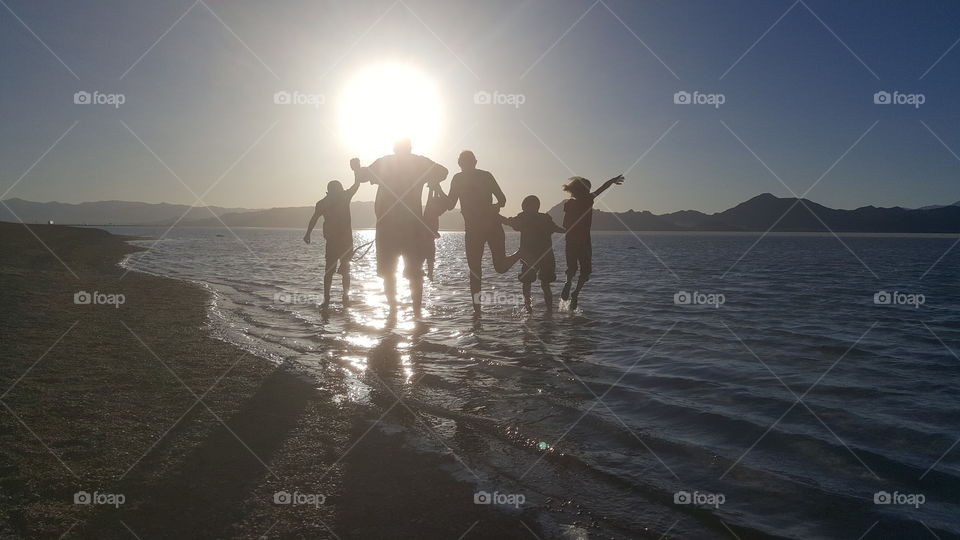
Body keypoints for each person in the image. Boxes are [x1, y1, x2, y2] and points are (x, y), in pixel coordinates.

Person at [351, 139, 448, 315]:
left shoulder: (386, 162)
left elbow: (362, 176)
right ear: (409, 149)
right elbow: (443, 172)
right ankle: (415, 312)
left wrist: (357, 168)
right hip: (410, 227)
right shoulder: (419, 162)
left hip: (389, 226)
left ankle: (394, 311)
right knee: (414, 272)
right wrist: (431, 177)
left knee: (389, 272)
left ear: (395, 149)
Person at [436, 150, 519, 314]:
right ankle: (477, 312)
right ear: (473, 162)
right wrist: (438, 188)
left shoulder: (482, 176)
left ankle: (521, 252)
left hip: (490, 226)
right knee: (478, 270)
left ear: (466, 163)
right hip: (475, 229)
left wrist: (495, 207)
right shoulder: (460, 179)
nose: (465, 165)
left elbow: (501, 199)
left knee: (494, 268)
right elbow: (452, 204)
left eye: (465, 162)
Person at [560, 174, 624, 310]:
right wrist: (612, 180)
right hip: (584, 241)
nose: (590, 190)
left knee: (571, 267)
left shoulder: (569, 204)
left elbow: (565, 223)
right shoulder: (588, 199)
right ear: (585, 190)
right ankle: (575, 293)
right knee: (585, 271)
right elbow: (602, 188)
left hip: (570, 239)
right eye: (588, 188)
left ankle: (568, 282)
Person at [303, 176, 361, 307]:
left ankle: (331, 299)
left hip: (336, 242)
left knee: (332, 271)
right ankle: (342, 298)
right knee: (343, 270)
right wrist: (356, 171)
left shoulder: (324, 202)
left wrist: (308, 234)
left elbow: (314, 219)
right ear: (338, 189)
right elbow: (356, 185)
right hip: (342, 241)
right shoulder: (342, 197)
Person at [502, 195, 564, 313]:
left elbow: (509, 222)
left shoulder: (524, 217)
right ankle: (549, 311)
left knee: (527, 283)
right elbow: (556, 228)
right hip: (547, 256)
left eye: (524, 206)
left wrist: (496, 216)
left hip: (529, 256)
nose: (523, 208)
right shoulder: (545, 218)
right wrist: (569, 230)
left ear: (526, 206)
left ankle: (528, 308)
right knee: (545, 285)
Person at [422, 185, 446, 280]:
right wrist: (433, 188)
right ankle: (430, 273)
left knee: (430, 257)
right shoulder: (431, 211)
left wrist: (434, 188)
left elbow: (432, 199)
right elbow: (430, 200)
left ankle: (430, 273)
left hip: (428, 237)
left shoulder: (433, 212)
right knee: (429, 256)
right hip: (426, 237)